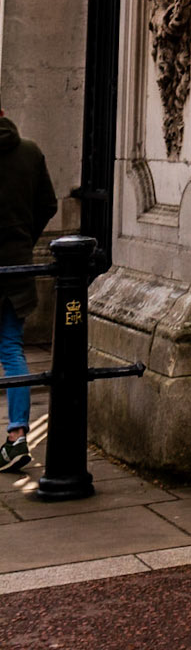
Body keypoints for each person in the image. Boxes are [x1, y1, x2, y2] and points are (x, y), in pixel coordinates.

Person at [0, 109, 57, 472]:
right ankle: (17, 436)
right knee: (11, 347)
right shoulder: (30, 152)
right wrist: (24, 240)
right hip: (16, 264)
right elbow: (48, 205)